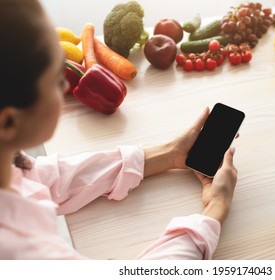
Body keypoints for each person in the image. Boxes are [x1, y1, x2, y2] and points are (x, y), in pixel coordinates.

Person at [0, 0, 238, 259]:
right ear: (8, 122)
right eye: (57, 79)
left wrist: (169, 153)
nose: (66, 88)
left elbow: (45, 178)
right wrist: (216, 207)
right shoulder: (19, 249)